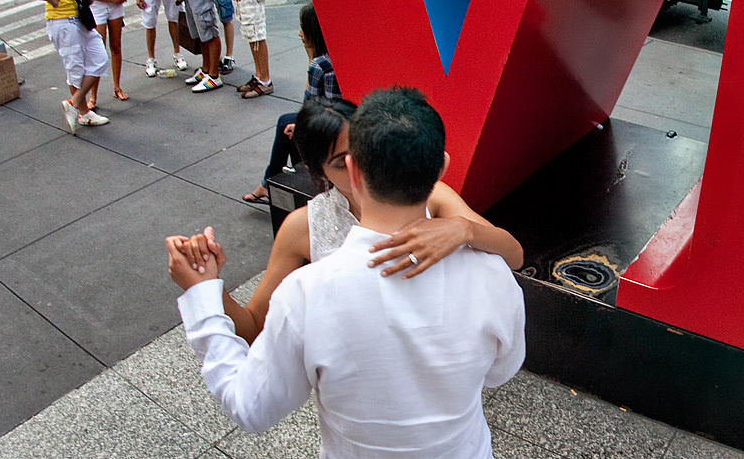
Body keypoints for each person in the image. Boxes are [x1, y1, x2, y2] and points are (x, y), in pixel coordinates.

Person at [168, 88, 525, 456]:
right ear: (442, 166)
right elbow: (500, 371)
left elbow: (252, 408)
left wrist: (203, 295)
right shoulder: (492, 275)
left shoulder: (307, 293)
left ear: (355, 169)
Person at [177, 96, 523, 345]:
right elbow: (253, 325)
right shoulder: (303, 225)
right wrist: (206, 287)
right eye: (341, 163)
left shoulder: (429, 194)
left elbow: (515, 256)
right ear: (317, 171)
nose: (361, 169)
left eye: (364, 153)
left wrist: (464, 229)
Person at [243, 3, 339, 205]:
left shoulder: (320, 64)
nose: (299, 33)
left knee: (286, 126)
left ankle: (270, 183)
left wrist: (311, 56)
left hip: (327, 127)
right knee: (285, 122)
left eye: (303, 28)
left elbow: (309, 105)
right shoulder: (334, 57)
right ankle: (268, 183)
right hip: (332, 121)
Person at [20, 0, 109, 133]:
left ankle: (74, 103)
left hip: (78, 16)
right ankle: (83, 112)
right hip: (61, 20)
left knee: (100, 59)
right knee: (75, 68)